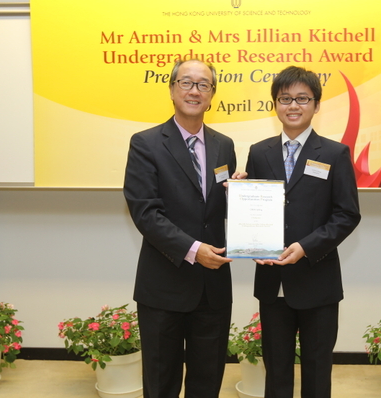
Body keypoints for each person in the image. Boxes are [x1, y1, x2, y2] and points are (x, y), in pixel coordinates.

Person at [124, 59, 240, 398]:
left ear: (212, 95)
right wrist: (194, 250)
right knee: (161, 384)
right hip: (164, 285)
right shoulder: (146, 143)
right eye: (186, 83)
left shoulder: (224, 145)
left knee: (207, 382)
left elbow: (214, 209)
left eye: (203, 85)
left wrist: (241, 196)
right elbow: (146, 213)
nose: (194, 90)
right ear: (172, 89)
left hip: (213, 288)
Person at [245, 65, 361, 398]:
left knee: (317, 369)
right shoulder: (259, 152)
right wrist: (238, 198)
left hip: (317, 281)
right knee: (276, 370)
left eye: (302, 99)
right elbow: (254, 213)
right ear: (275, 104)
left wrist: (306, 247)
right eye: (285, 99)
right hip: (272, 281)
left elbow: (347, 214)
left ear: (316, 104)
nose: (293, 106)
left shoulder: (335, 153)